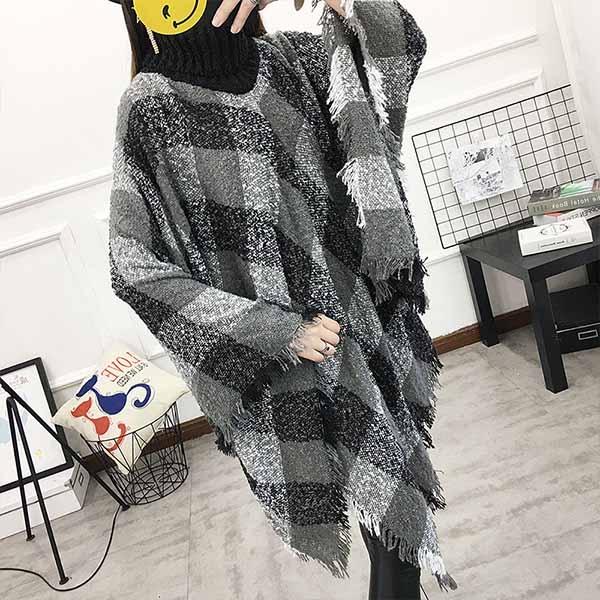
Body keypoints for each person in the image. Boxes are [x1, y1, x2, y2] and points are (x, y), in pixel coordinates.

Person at [107, 1, 456, 598]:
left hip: (363, 321)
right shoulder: (149, 106)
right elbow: (133, 267)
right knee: (396, 514)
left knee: (394, 513)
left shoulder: (293, 58)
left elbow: (400, 51)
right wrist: (275, 331)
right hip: (289, 363)